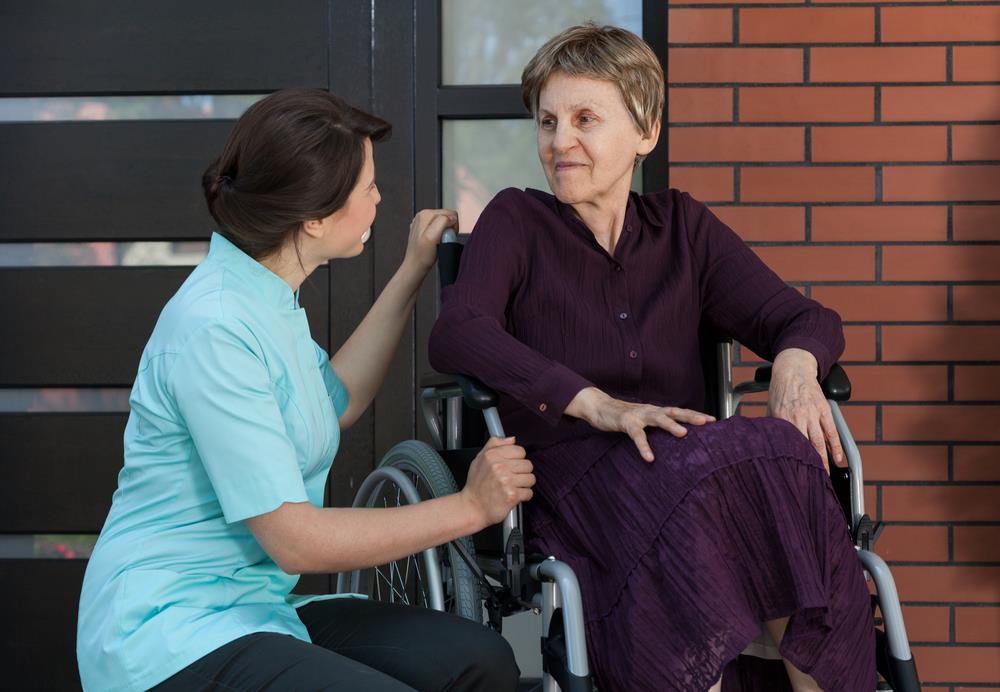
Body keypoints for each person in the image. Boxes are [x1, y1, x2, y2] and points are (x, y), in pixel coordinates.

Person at [429, 24, 876, 692]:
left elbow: (803, 318)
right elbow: (457, 330)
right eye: (547, 122)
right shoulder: (517, 222)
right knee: (744, 460)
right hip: (582, 487)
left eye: (584, 119)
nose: (558, 141)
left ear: (645, 132)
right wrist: (590, 401)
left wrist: (795, 364)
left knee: (777, 451)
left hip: (698, 473)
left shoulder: (683, 229)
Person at [76, 88, 531, 692]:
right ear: (313, 217)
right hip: (168, 631)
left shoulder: (266, 298)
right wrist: (469, 508)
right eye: (368, 187)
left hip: (253, 609)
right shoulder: (215, 328)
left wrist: (413, 270)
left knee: (481, 660)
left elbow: (338, 399)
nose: (379, 198)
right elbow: (295, 541)